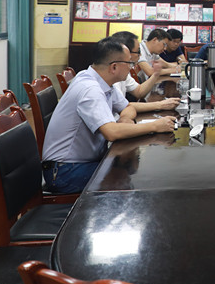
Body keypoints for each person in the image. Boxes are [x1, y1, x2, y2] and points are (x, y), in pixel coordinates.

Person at [41, 38, 176, 194]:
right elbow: (112, 133)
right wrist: (155, 126)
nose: (132, 67)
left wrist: (125, 119)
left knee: (130, 170)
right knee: (128, 181)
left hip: (82, 162)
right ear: (114, 67)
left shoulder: (102, 82)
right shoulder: (90, 89)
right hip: (65, 171)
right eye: (129, 63)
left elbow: (128, 107)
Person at [110, 31, 180, 108]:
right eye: (138, 51)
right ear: (126, 52)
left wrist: (156, 74)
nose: (140, 55)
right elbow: (122, 107)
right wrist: (160, 105)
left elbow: (139, 92)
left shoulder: (123, 71)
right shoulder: (112, 74)